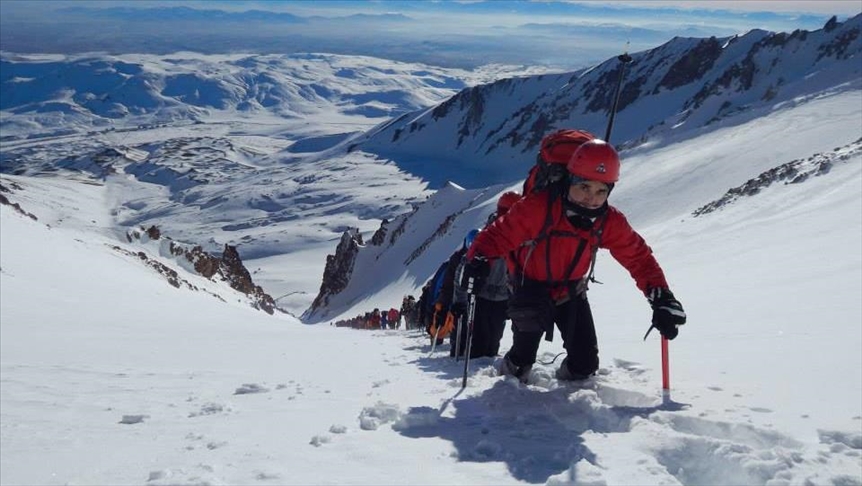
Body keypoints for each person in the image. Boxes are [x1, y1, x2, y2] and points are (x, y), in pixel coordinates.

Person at [463, 136, 686, 383]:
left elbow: (638, 257)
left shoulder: (608, 220)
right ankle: (510, 380)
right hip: (529, 289)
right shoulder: (539, 207)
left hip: (571, 292)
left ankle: (569, 396)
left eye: (601, 191)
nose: (591, 199)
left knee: (585, 365)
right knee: (522, 359)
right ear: (571, 180)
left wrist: (661, 296)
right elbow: (500, 233)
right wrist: (478, 260)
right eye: (585, 187)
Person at [451, 192, 520, 358]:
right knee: (482, 340)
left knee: (491, 340)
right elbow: (465, 268)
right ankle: (477, 369)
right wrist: (459, 301)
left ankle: (480, 370)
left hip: (496, 297)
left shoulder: (517, 237)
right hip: (483, 296)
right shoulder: (488, 237)